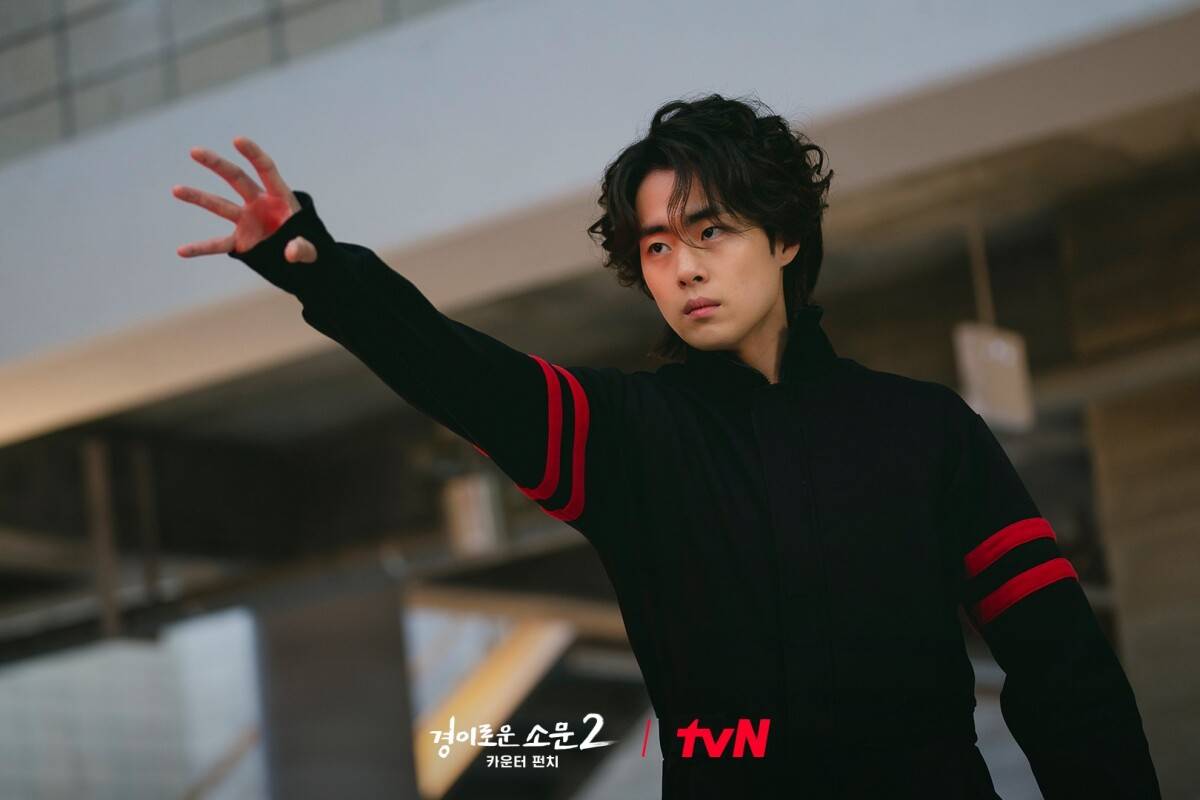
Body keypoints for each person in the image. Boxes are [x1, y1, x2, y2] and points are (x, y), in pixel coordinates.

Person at [173, 93, 1161, 798]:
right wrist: (320, 269)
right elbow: (458, 370)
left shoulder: (926, 429)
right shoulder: (626, 437)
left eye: (710, 231)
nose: (682, 268)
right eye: (656, 246)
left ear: (784, 238)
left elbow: (1063, 666)